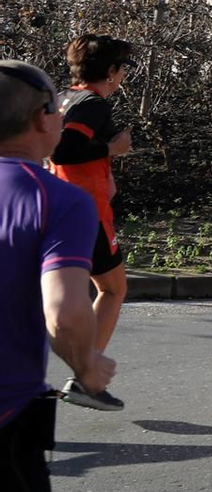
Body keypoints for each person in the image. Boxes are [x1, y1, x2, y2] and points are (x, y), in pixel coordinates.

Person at [0, 60, 118, 492]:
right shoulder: (55, 198)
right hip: (5, 413)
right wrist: (88, 367)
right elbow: (65, 313)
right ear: (45, 120)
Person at [47, 35, 135, 411]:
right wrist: (111, 149)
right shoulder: (93, 104)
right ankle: (87, 375)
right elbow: (65, 149)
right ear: (112, 71)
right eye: (122, 69)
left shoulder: (62, 98)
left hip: (56, 203)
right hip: (86, 211)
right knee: (113, 289)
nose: (123, 76)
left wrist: (105, 168)